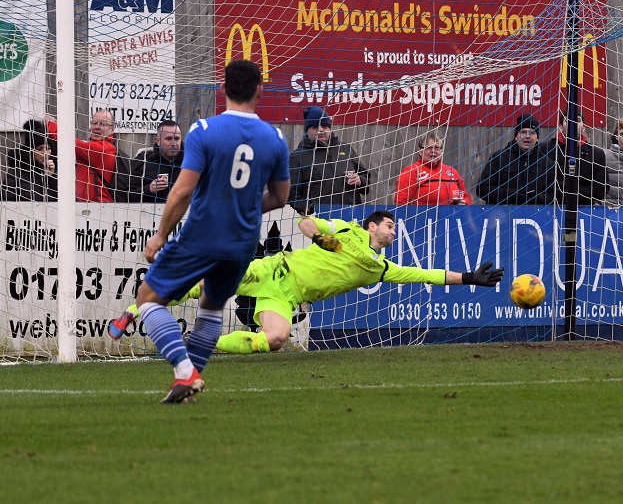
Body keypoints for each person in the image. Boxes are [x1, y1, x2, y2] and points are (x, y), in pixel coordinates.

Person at [108, 59, 291, 404]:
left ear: (222, 90)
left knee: (147, 299)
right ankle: (188, 386)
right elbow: (281, 197)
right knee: (210, 308)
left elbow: (182, 191)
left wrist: (161, 234)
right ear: (260, 91)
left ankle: (184, 371)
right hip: (243, 243)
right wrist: (247, 206)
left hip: (202, 235)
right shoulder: (276, 139)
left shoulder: (205, 131)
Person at [120, 210, 505, 355]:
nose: (393, 231)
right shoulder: (348, 230)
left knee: (275, 339)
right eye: (389, 225)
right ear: (372, 225)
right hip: (275, 269)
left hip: (288, 296)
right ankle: (135, 308)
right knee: (209, 286)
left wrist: (470, 277)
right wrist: (323, 238)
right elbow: (306, 221)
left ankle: (200, 343)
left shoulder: (380, 268)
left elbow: (427, 275)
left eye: (394, 228)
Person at [288, 105, 369, 215]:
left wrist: (360, 181)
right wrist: (309, 209)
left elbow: (365, 178)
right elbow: (291, 194)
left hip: (351, 215)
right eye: (315, 127)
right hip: (318, 220)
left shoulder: (345, 149)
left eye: (325, 126)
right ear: (307, 130)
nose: (321, 130)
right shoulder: (297, 157)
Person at [476, 113, 553, 205]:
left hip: (535, 216)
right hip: (502, 214)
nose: (527, 136)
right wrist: (514, 195)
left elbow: (555, 196)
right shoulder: (498, 158)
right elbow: (482, 189)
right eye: (523, 132)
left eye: (532, 133)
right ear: (516, 137)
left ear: (537, 139)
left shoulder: (547, 163)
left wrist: (536, 197)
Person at [49, 109, 118, 202]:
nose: (97, 127)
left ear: (112, 130)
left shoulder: (103, 149)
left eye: (103, 124)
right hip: (87, 207)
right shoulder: (92, 147)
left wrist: (49, 124)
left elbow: (67, 142)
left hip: (100, 208)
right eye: (94, 123)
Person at [548, 109, 607, 204]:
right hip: (551, 209)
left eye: (577, 120)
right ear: (560, 126)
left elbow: (601, 190)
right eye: (568, 120)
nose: (573, 123)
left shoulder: (596, 154)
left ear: (584, 127)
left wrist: (570, 190)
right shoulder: (546, 150)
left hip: (585, 210)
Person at [395, 133, 473, 205]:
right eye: (428, 148)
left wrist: (464, 202)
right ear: (420, 151)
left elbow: (467, 197)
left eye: (436, 148)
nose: (433, 151)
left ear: (441, 151)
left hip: (452, 218)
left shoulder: (451, 171)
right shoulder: (412, 171)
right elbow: (401, 202)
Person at [127, 119, 185, 203]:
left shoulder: (192, 163)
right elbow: (127, 196)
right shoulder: (143, 162)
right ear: (158, 141)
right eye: (168, 139)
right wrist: (149, 189)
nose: (173, 143)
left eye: (176, 139)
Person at [1, 119, 58, 202]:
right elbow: (7, 203)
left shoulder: (58, 173)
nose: (45, 153)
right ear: (30, 152)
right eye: (39, 149)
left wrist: (51, 177)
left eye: (48, 148)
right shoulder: (15, 174)